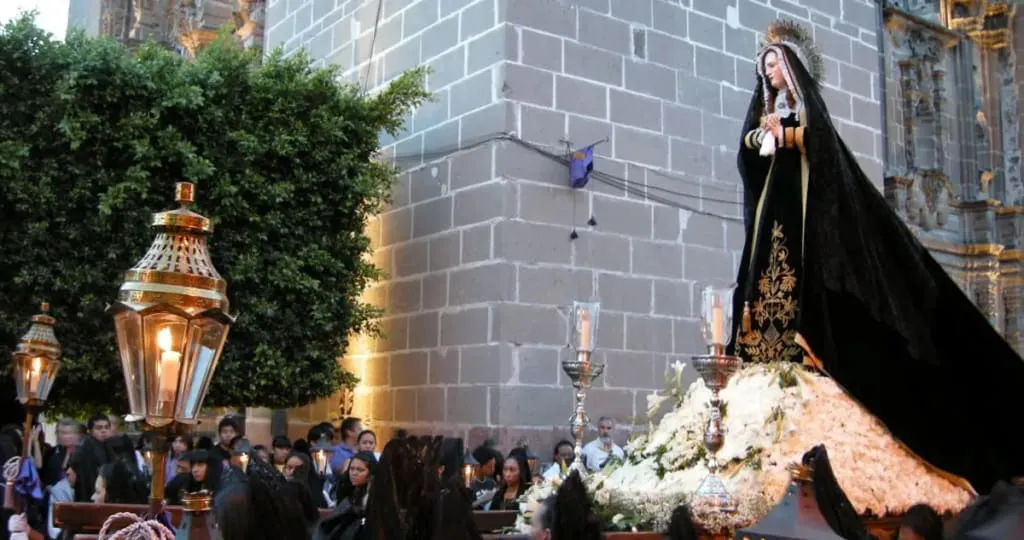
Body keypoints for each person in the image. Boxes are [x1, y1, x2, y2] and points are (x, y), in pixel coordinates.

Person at [728, 18, 1024, 493]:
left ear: (791, 68)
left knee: (794, 271)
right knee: (764, 272)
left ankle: (804, 340)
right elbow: (748, 156)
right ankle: (766, 344)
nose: (770, 74)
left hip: (802, 216)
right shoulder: (766, 110)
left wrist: (787, 137)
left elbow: (820, 144)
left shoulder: (803, 110)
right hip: (774, 210)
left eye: (775, 65)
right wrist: (758, 142)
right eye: (765, 68)